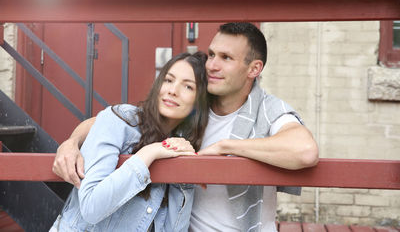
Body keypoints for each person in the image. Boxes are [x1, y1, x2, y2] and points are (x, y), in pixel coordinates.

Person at [53, 23, 319, 232]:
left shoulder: (265, 110)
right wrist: (72, 142)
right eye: (212, 54)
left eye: (226, 57)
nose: (213, 65)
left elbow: (305, 151)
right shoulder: (192, 107)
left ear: (254, 68)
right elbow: (117, 119)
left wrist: (226, 147)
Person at [50, 52, 209, 232]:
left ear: (199, 102)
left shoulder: (179, 145)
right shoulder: (122, 121)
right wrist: (149, 153)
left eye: (188, 87)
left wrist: (185, 179)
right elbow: (90, 206)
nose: (173, 90)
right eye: (168, 80)